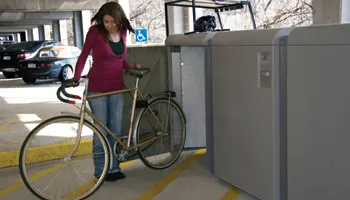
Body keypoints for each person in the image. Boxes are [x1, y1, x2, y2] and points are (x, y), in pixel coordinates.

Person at [73, 1, 141, 181]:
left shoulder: (123, 32)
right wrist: (76, 77)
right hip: (97, 89)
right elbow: (82, 56)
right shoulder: (95, 32)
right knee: (101, 131)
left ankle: (114, 168)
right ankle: (100, 171)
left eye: (113, 22)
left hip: (117, 87)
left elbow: (119, 58)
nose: (109, 25)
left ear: (120, 20)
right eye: (106, 21)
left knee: (116, 130)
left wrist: (130, 68)